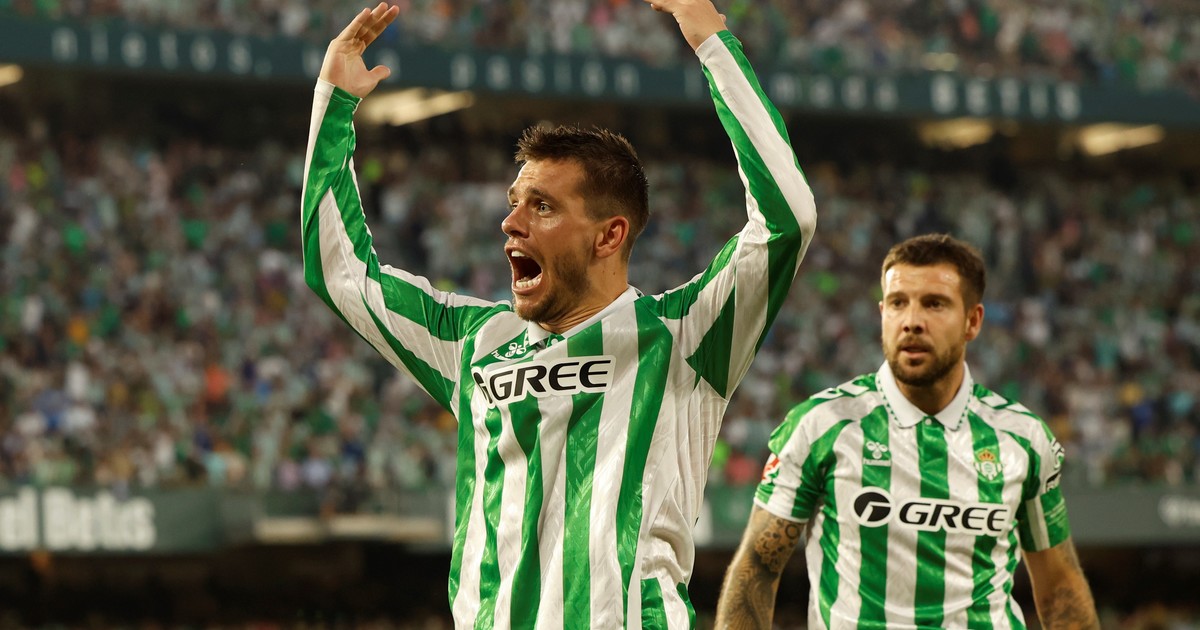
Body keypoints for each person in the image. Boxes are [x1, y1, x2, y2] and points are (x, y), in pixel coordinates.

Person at [301, 1, 817, 626]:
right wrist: (333, 104)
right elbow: (341, 273)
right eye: (514, 202)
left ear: (609, 235)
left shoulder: (685, 336)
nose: (510, 222)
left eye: (541, 207)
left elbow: (787, 220)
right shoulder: (474, 342)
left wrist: (712, 42)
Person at [715, 234, 1099, 629]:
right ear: (883, 313)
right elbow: (756, 569)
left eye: (934, 304)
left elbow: (1060, 587)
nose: (912, 321)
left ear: (972, 321)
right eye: (898, 303)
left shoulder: (1023, 439)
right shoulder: (822, 425)